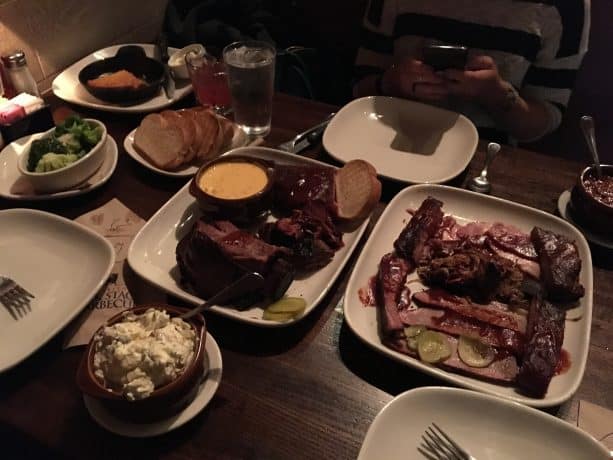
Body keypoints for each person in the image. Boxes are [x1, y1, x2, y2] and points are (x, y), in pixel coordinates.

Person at [353, 0, 591, 144]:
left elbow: (545, 120)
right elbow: (359, 87)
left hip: (489, 161)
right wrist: (391, 81)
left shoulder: (567, 7)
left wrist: (497, 97)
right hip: (385, 144)